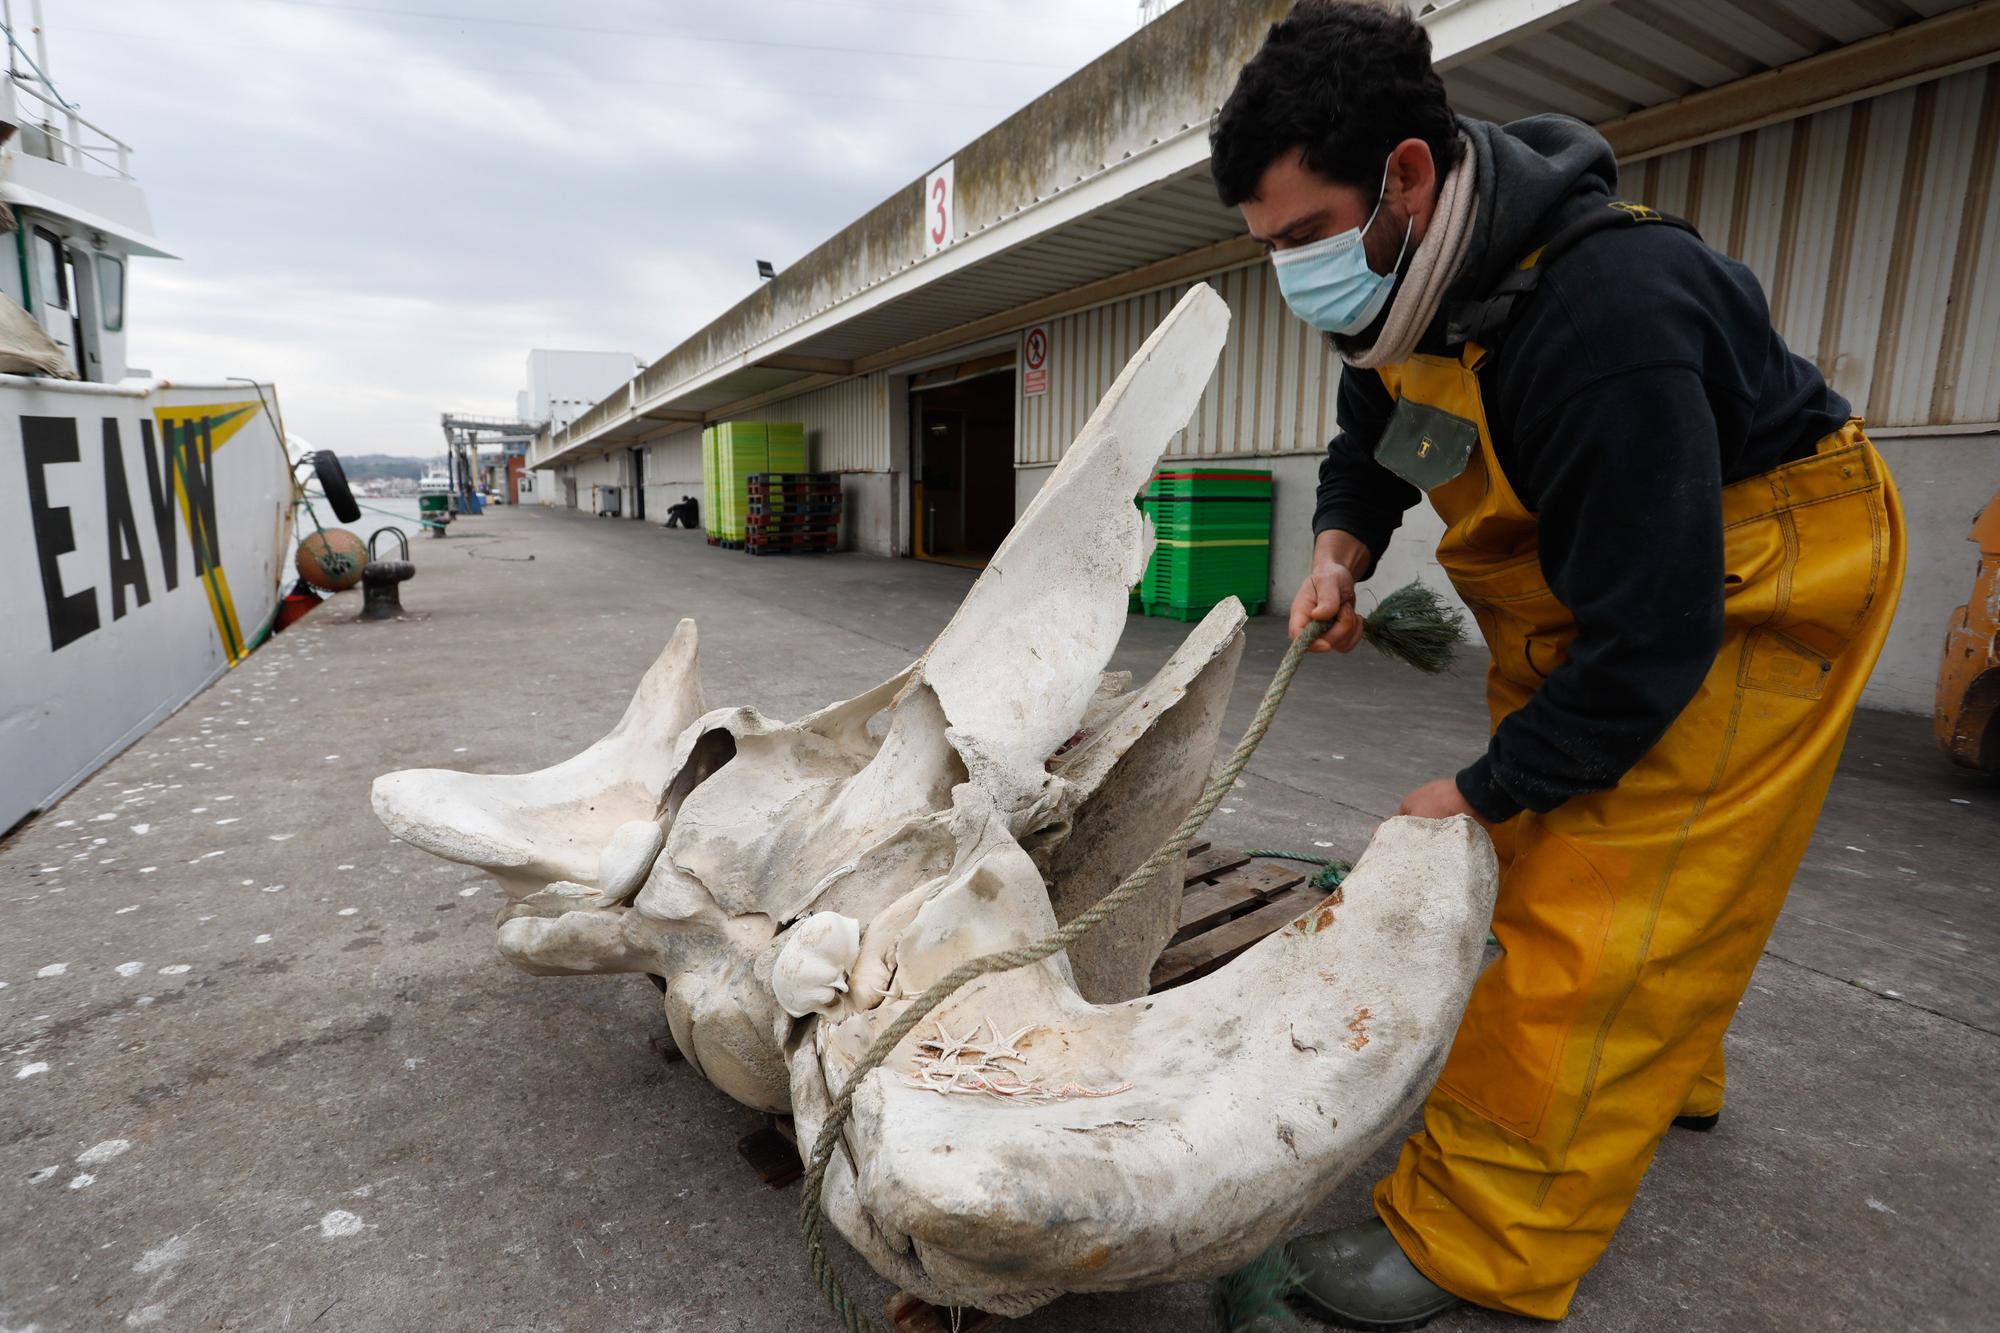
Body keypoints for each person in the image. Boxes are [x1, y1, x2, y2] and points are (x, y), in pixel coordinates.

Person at [1208, 3, 1904, 1327]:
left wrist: (1470, 788)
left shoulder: (1603, 323)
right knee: (1567, 848)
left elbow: (1654, 642)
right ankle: (1661, 1072)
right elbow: (1380, 418)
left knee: (1597, 902)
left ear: (1405, 176)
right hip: (1586, 599)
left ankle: (1475, 1236)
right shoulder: (1419, 283)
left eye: (1302, 235)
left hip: (1756, 585)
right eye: (1268, 245)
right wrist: (1342, 550)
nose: (1293, 272)